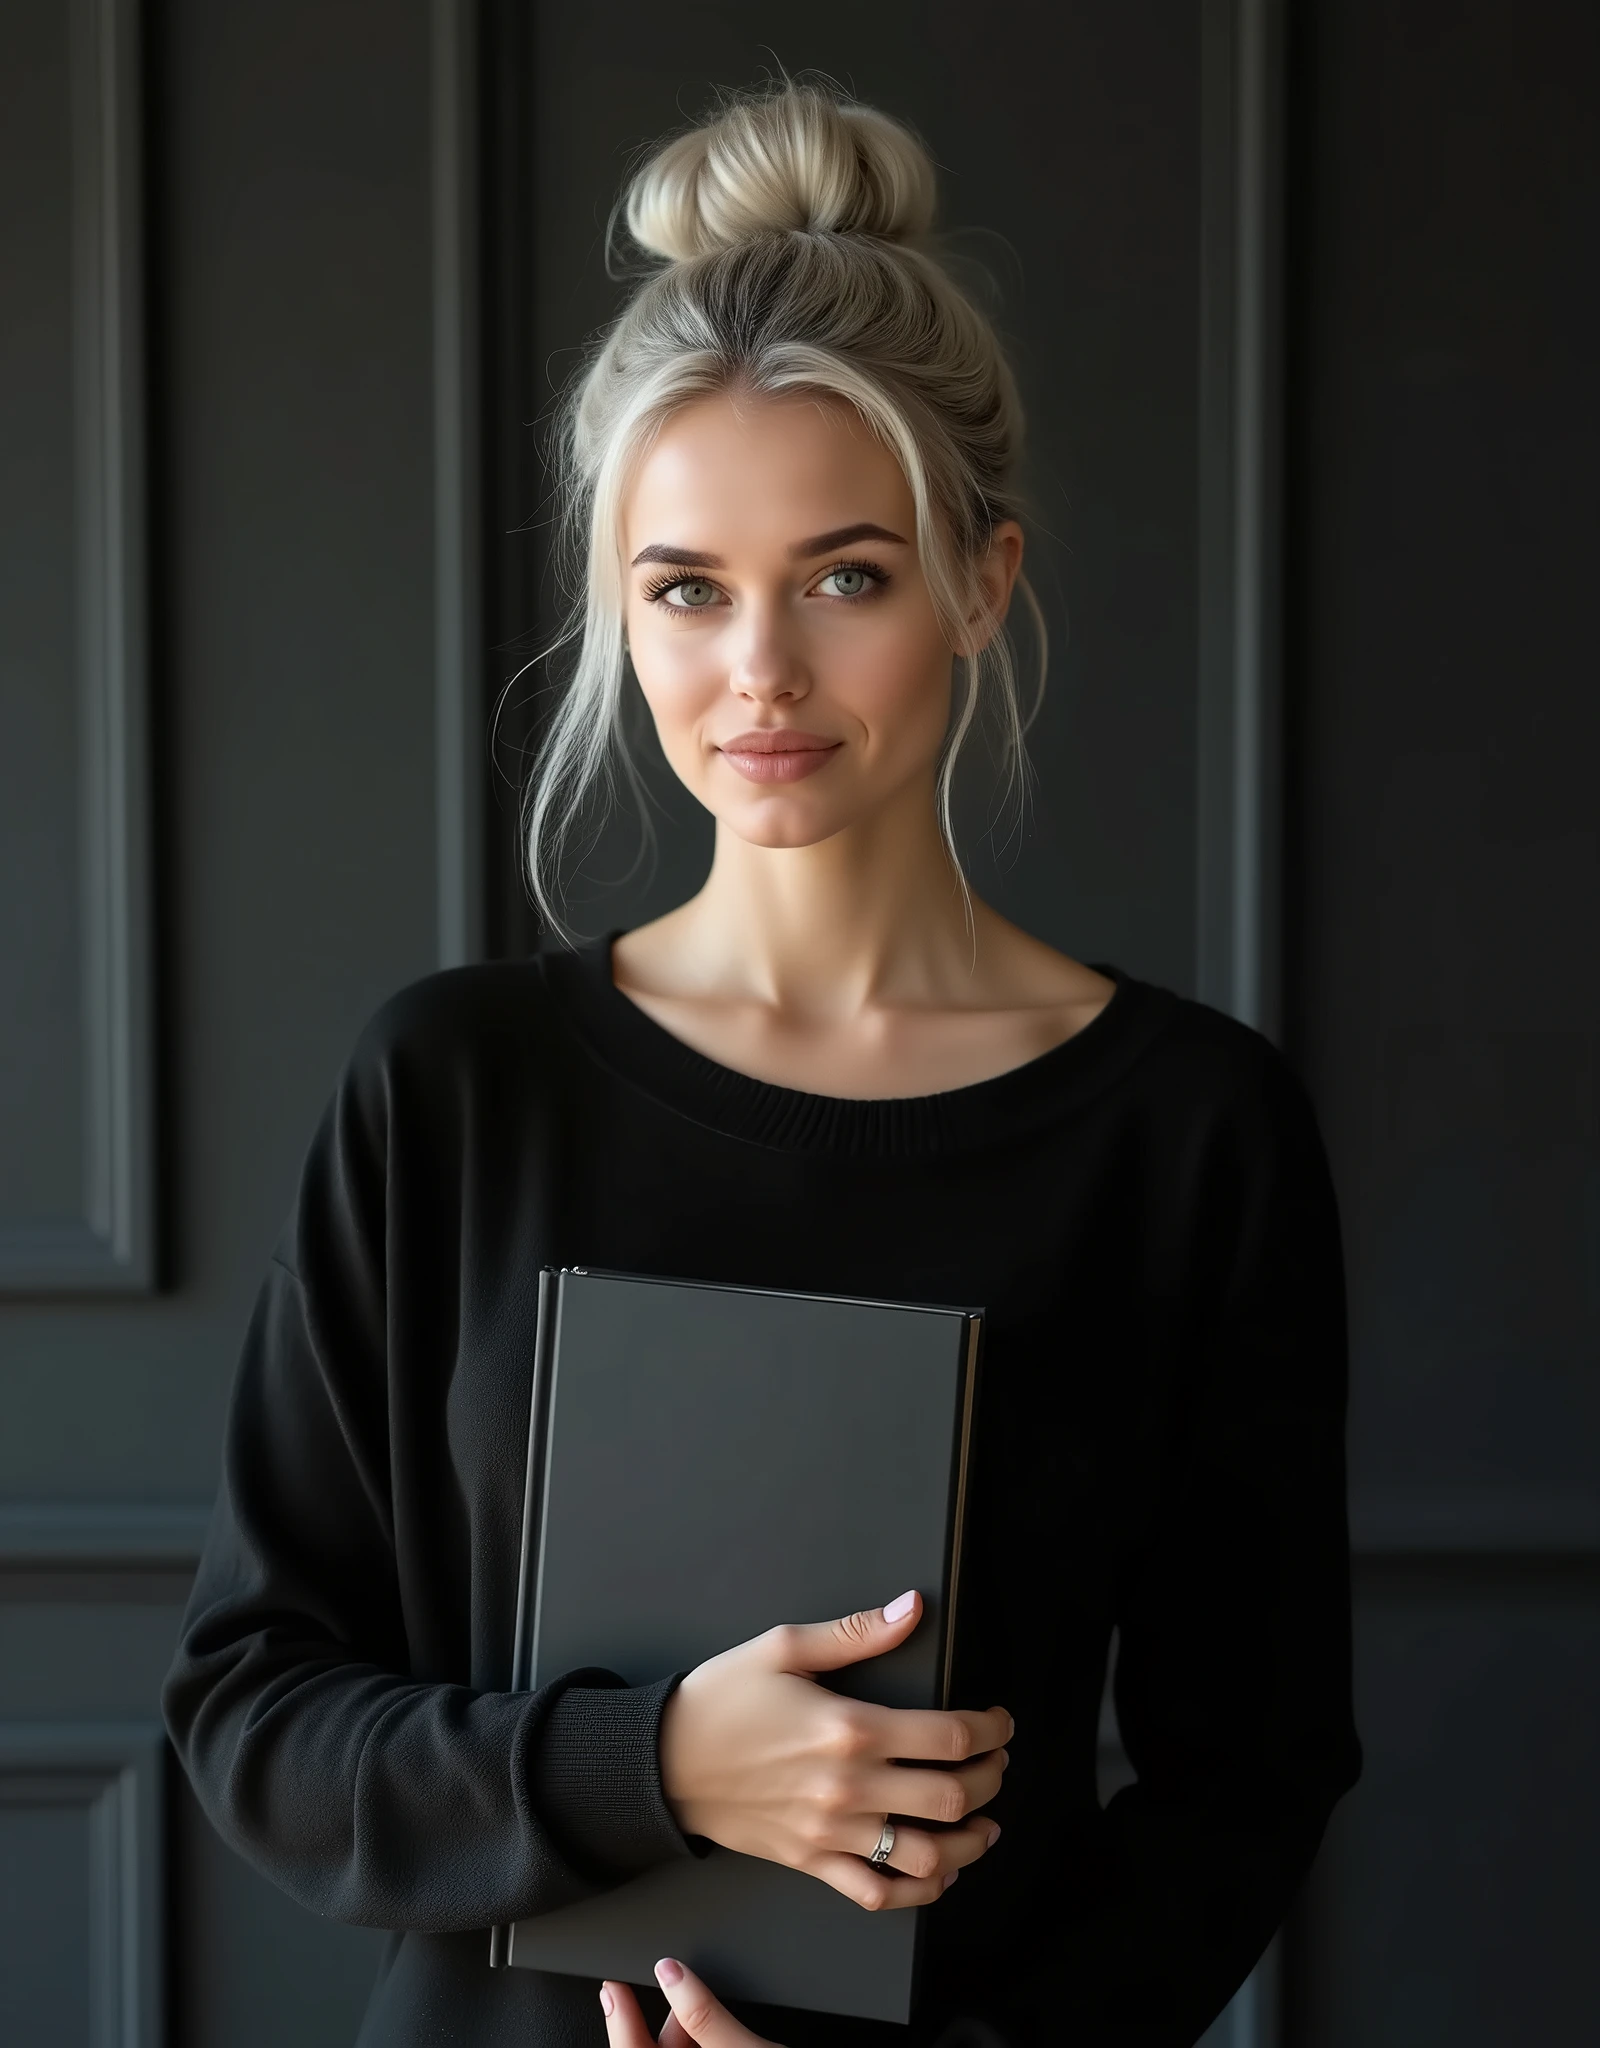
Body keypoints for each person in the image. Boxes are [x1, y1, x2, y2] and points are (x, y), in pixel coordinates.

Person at [162, 78, 1363, 2048]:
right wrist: (659, 1767)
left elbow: (1248, 1778)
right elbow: (256, 1710)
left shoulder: (1184, 1132)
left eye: (846, 574)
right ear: (617, 614)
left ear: (981, 579)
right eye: (686, 590)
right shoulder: (453, 1088)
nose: (760, 676)